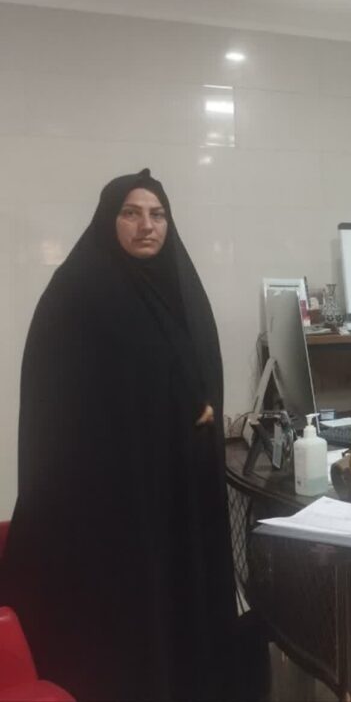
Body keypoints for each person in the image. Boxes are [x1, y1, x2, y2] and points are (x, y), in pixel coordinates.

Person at [0, 169, 240, 700]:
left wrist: (199, 405)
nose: (146, 225)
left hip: (172, 484)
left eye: (157, 214)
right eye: (131, 213)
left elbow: (199, 369)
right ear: (110, 220)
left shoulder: (179, 285)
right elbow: (67, 403)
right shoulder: (78, 291)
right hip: (106, 497)